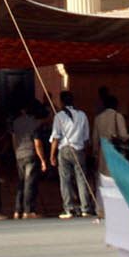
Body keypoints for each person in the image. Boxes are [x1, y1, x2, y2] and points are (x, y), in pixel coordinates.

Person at [49, 89, 96, 219]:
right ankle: (85, 207)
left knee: (65, 180)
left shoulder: (59, 116)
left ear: (61, 101)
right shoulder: (82, 115)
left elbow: (55, 137)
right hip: (78, 149)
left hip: (64, 149)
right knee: (81, 179)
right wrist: (86, 152)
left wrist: (52, 155)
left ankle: (69, 208)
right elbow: (86, 137)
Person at [9, 101, 47, 219]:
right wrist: (43, 160)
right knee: (29, 183)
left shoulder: (15, 122)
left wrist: (16, 152)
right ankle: (28, 210)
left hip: (19, 154)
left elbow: (14, 139)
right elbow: (37, 143)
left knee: (21, 182)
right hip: (30, 153)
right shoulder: (34, 123)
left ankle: (17, 210)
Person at [93, 92, 129, 160]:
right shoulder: (118, 116)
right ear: (116, 105)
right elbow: (123, 135)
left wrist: (95, 152)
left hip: (102, 154)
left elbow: (95, 138)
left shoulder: (98, 118)